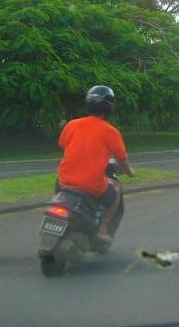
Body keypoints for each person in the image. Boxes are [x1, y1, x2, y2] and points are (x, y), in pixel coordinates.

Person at [56, 85, 134, 251]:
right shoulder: (110, 131)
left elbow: (62, 144)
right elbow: (122, 161)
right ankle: (103, 228)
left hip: (63, 182)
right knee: (117, 187)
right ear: (109, 108)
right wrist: (129, 172)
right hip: (91, 185)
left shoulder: (71, 125)